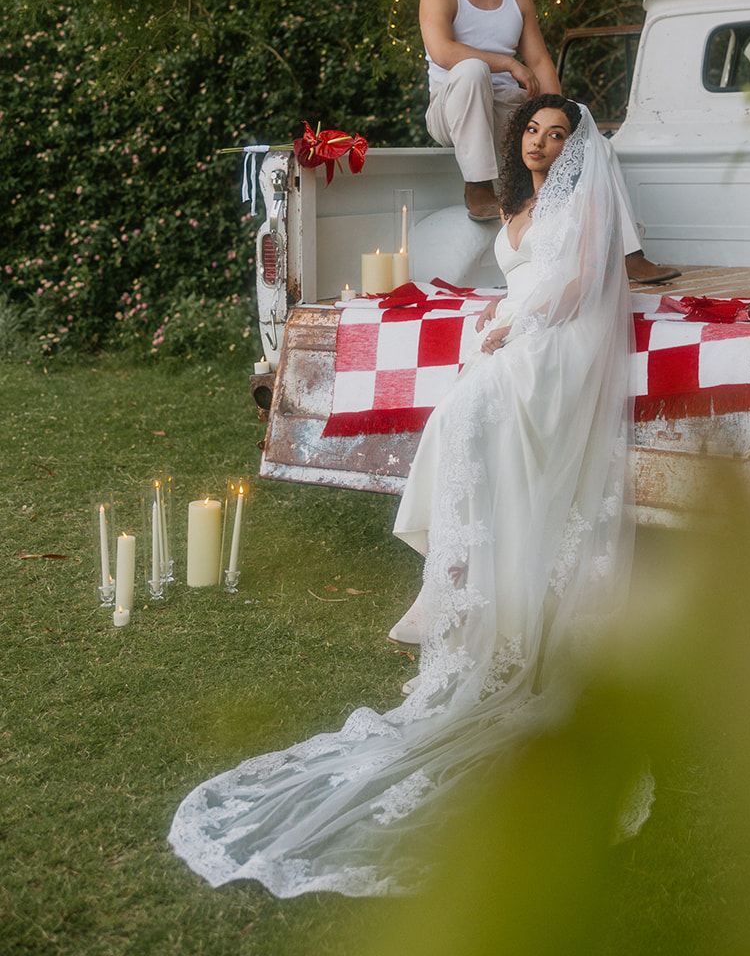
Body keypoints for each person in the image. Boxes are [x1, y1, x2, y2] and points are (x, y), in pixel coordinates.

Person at [168, 95, 644, 897]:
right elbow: (527, 276)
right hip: (523, 335)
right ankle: (462, 589)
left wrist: (506, 323)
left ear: (576, 147)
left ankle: (474, 597)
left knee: (467, 412)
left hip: (558, 354)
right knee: (460, 425)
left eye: (557, 134)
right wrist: (500, 311)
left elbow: (575, 288)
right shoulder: (523, 200)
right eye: (532, 130)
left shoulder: (588, 198)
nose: (542, 143)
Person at [421, 0, 678, 284]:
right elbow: (442, 52)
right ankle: (478, 188)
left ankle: (629, 254)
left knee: (592, 138)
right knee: (472, 70)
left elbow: (539, 61)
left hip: (506, 109)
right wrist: (508, 63)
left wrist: (561, 118)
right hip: (453, 108)